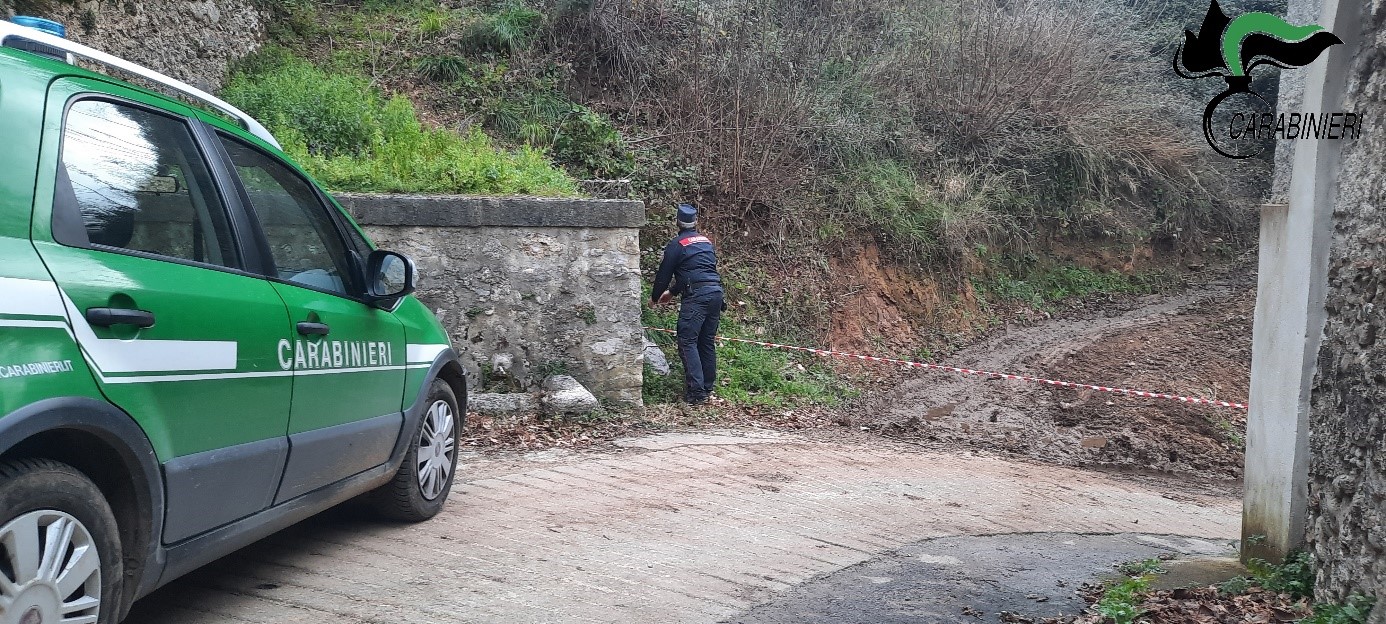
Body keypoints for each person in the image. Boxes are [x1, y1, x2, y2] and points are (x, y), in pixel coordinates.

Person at [652, 202, 724, 405]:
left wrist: (656, 297)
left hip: (697, 298)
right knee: (705, 342)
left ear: (677, 222)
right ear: (695, 222)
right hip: (716, 294)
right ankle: (707, 388)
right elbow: (699, 271)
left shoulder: (677, 245)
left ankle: (697, 394)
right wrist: (673, 292)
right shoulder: (706, 242)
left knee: (687, 341)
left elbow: (663, 275)